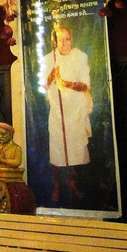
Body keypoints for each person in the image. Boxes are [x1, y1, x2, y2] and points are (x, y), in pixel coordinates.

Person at [41, 23, 93, 202]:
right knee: (58, 149)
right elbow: (44, 85)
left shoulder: (80, 56)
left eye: (67, 39)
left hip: (77, 111)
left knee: (76, 148)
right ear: (54, 42)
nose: (64, 43)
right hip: (58, 111)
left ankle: (72, 181)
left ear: (72, 40)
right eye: (60, 39)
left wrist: (67, 83)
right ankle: (57, 184)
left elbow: (85, 84)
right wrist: (51, 75)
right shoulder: (49, 59)